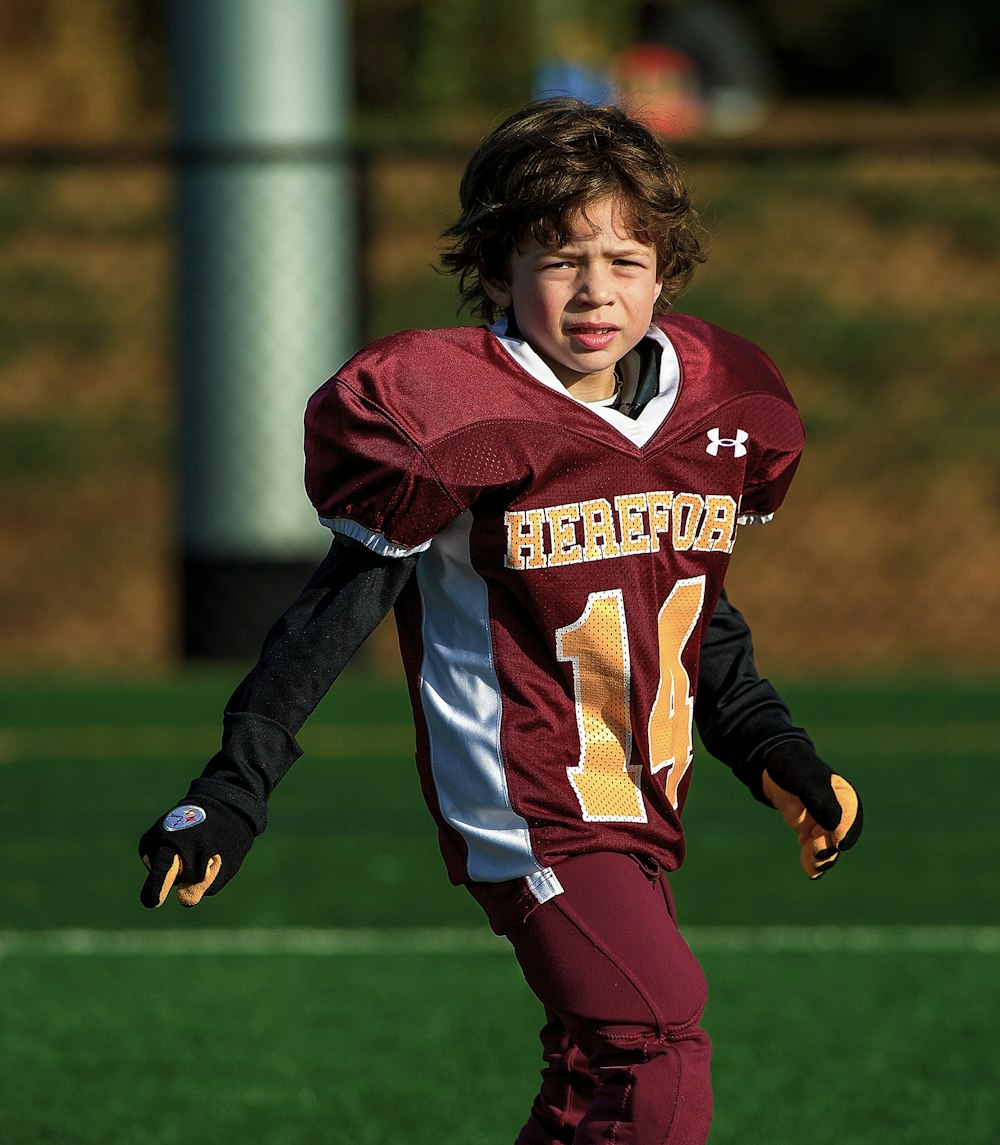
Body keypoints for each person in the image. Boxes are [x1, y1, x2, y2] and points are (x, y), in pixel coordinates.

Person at [139, 98, 862, 1144]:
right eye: (558, 256)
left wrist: (773, 748)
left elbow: (692, 609)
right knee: (651, 1042)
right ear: (494, 270)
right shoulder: (455, 413)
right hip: (527, 801)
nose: (595, 289)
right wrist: (232, 788)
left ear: (666, 270)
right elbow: (329, 618)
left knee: (591, 1074)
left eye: (624, 257)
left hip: (639, 800)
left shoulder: (715, 407)